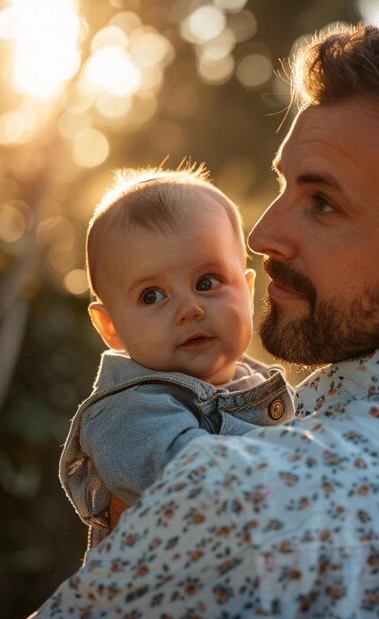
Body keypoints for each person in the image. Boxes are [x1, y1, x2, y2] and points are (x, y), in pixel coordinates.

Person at [20, 19, 379, 619]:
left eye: (323, 202)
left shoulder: (244, 504)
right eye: (283, 186)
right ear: (108, 325)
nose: (263, 236)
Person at [59, 166, 293, 541]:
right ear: (111, 328)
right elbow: (194, 480)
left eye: (207, 282)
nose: (189, 309)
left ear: (247, 294)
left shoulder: (261, 384)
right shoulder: (127, 410)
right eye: (152, 295)